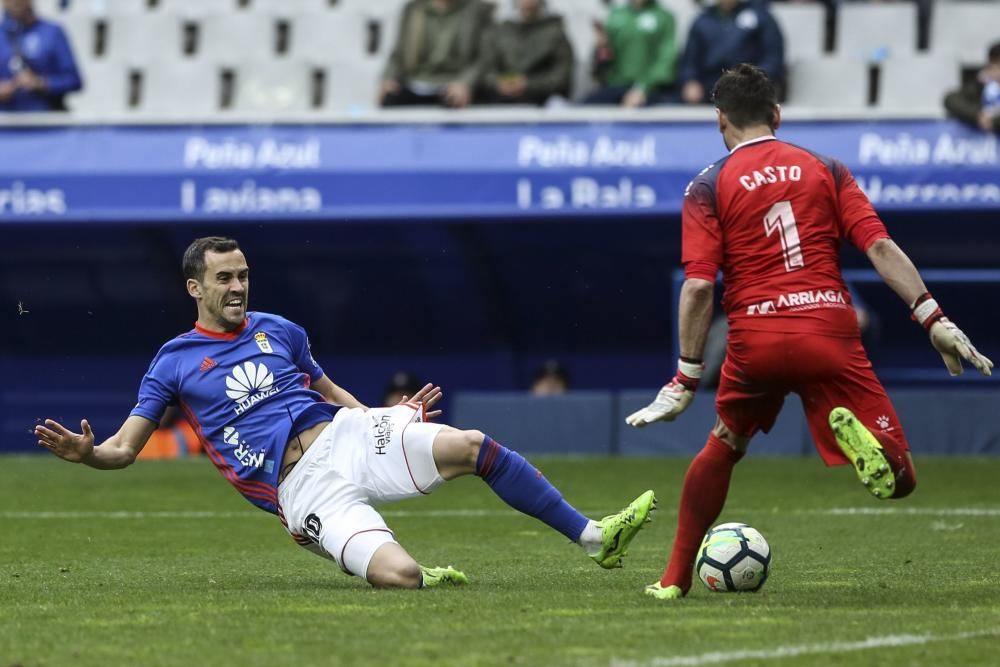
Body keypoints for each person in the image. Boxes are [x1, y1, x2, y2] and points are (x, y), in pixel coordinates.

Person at [34, 237, 656, 589]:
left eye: (244, 275)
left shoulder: (281, 330)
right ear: (195, 288)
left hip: (347, 433)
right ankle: (403, 560)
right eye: (224, 278)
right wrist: (89, 454)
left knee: (472, 445)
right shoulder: (172, 361)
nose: (238, 287)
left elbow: (331, 392)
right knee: (402, 579)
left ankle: (593, 536)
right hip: (301, 486)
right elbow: (123, 449)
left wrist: (390, 418)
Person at [626, 64, 993, 601]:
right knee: (903, 481)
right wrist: (933, 318)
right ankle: (859, 442)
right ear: (777, 114)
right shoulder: (825, 167)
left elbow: (700, 287)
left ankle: (673, 578)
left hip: (756, 341)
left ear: (720, 121)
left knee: (726, 442)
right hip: (830, 331)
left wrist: (685, 376)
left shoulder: (706, 185)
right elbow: (881, 248)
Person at [380, 0, 494, 109]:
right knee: (390, 101)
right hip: (416, 85)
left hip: (455, 86)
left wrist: (466, 83)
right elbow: (398, 53)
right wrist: (388, 78)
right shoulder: (413, 9)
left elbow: (483, 59)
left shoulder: (477, 10)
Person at [677, 0, 783, 105]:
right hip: (710, 87)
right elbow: (690, 60)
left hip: (750, 87)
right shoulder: (702, 20)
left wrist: (755, 80)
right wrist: (690, 81)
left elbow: (773, 57)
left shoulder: (761, 16)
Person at [478, 0, 573, 106]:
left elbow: (561, 76)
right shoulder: (500, 32)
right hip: (502, 100)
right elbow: (486, 69)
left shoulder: (556, 32)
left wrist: (528, 84)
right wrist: (499, 84)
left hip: (542, 101)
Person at [584, 0, 678, 107]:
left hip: (653, 90)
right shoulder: (615, 15)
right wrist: (602, 48)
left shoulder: (664, 17)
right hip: (616, 87)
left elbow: (666, 60)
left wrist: (643, 88)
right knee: (583, 110)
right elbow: (604, 62)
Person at [0, 0, 81, 112]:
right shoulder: (2, 35)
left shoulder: (52, 32)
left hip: (45, 120)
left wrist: (41, 83)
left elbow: (73, 80)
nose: (15, 2)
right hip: (5, 123)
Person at [944, 41, 1000, 134]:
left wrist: (994, 121)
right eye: (994, 64)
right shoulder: (983, 86)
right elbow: (950, 99)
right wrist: (978, 115)